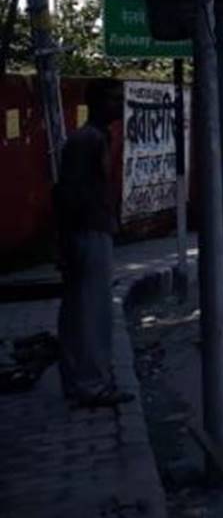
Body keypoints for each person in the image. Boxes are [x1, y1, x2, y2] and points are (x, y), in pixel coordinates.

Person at [54, 79, 131, 408]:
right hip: (87, 233)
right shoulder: (88, 140)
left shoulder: (94, 138)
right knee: (92, 312)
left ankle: (79, 379)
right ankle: (92, 385)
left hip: (88, 231)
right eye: (114, 100)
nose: (119, 105)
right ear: (99, 103)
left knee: (79, 311)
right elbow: (69, 194)